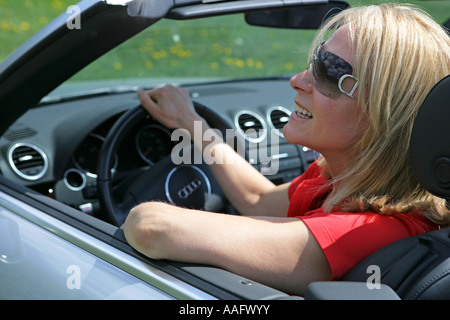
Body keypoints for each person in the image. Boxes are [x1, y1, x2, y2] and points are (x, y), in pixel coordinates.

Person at [122, 3, 450, 296]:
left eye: (328, 70)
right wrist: (191, 123)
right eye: (316, 59)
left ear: (382, 113)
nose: (298, 79)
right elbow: (258, 200)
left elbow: (152, 228)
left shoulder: (360, 234)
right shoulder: (344, 177)